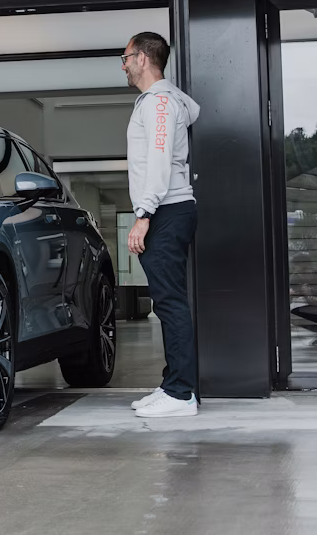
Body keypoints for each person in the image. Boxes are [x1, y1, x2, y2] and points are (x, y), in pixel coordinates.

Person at [120, 32, 203, 418]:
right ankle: (173, 384)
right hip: (170, 209)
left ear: (142, 58)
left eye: (125, 57)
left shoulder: (158, 104)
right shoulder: (165, 102)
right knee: (167, 301)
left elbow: (158, 161)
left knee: (170, 303)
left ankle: (182, 394)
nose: (122, 65)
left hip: (166, 210)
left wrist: (144, 215)